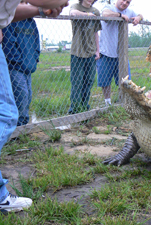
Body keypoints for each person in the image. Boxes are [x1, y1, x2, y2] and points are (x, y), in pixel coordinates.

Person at [0, 0, 68, 213]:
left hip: (26, 64)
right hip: (15, 64)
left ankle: (1, 196)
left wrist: (41, 9)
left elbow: (10, 12)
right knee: (7, 113)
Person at [97, 0, 143, 106]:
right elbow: (105, 14)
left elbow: (140, 15)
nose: (125, 3)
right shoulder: (108, 7)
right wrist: (119, 15)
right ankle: (107, 103)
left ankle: (123, 102)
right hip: (106, 52)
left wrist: (138, 18)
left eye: (128, 2)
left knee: (125, 81)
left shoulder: (129, 11)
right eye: (123, 0)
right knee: (105, 81)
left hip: (121, 54)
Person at [2, 1, 41, 126]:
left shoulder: (31, 22)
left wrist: (34, 59)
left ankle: (23, 124)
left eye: (25, 3)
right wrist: (20, 62)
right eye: (21, 3)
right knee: (21, 95)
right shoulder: (11, 21)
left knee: (28, 95)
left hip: (28, 67)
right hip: (15, 67)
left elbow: (36, 44)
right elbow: (9, 46)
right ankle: (18, 126)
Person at [68, 0, 102, 114]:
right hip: (77, 51)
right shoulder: (75, 7)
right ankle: (75, 109)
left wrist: (98, 50)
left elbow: (95, 32)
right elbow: (72, 13)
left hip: (91, 51)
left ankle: (84, 107)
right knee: (77, 82)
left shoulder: (96, 11)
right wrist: (87, 15)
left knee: (89, 81)